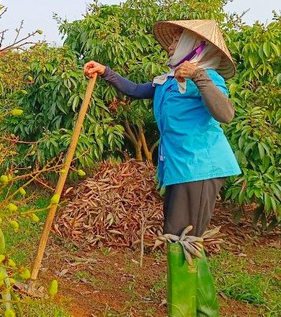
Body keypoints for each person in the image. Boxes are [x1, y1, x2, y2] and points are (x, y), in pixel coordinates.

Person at [84, 19, 241, 317]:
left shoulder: (208, 76)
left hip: (201, 167)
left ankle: (185, 312)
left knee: (182, 238)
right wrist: (105, 71)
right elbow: (134, 90)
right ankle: (203, 310)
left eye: (177, 40)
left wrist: (198, 77)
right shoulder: (167, 81)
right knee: (185, 239)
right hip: (180, 167)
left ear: (195, 47)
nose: (169, 45)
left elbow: (225, 113)